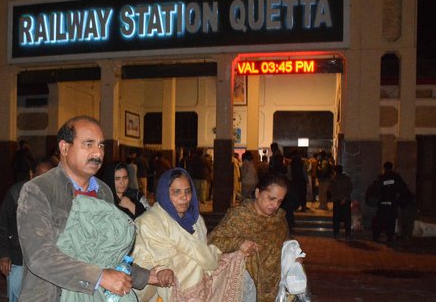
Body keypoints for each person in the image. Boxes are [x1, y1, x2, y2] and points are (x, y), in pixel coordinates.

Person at [16, 116, 173, 301]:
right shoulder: (39, 190)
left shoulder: (103, 191)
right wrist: (100, 277)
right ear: (64, 147)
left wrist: (148, 276)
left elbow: (107, 251)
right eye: (89, 144)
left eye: (101, 145)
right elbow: (40, 257)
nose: (98, 153)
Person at [132, 168, 245, 302]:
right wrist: (162, 270)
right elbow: (142, 261)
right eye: (176, 192)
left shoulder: (197, 221)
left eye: (188, 191)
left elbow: (205, 260)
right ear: (164, 193)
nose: (184, 197)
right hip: (162, 293)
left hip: (199, 292)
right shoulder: (149, 222)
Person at [208, 173, 291, 302]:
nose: (275, 205)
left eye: (279, 201)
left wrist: (294, 255)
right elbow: (213, 240)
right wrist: (239, 243)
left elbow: (286, 244)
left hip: (273, 284)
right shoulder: (240, 216)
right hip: (245, 283)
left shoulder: (280, 220)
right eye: (271, 198)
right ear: (258, 193)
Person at [0, 160, 54, 302]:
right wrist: (4, 255)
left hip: (45, 261)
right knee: (18, 295)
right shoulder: (16, 194)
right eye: (40, 176)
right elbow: (3, 225)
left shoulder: (55, 197)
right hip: (19, 260)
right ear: (31, 174)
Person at [372, 161, 408, 245]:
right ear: (392, 167)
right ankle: (389, 237)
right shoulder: (396, 177)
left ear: (384, 168)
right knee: (391, 221)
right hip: (392, 202)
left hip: (382, 202)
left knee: (379, 220)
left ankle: (376, 236)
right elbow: (403, 187)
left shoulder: (381, 177)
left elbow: (377, 188)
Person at [328, 165, 353, 240]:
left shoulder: (334, 179)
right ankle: (347, 234)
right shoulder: (347, 178)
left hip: (337, 201)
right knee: (347, 218)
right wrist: (345, 197)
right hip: (346, 200)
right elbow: (350, 188)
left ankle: (336, 234)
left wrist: (336, 197)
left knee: (336, 218)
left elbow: (330, 190)